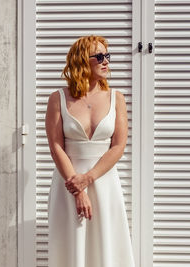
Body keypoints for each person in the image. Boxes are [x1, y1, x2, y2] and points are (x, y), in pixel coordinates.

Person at [45, 35, 135, 267]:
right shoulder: (58, 99)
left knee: (107, 247)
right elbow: (56, 147)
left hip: (104, 183)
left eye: (108, 55)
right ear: (82, 61)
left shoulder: (116, 98)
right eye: (99, 56)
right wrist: (78, 190)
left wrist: (88, 179)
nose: (106, 61)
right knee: (71, 246)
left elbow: (118, 146)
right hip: (68, 184)